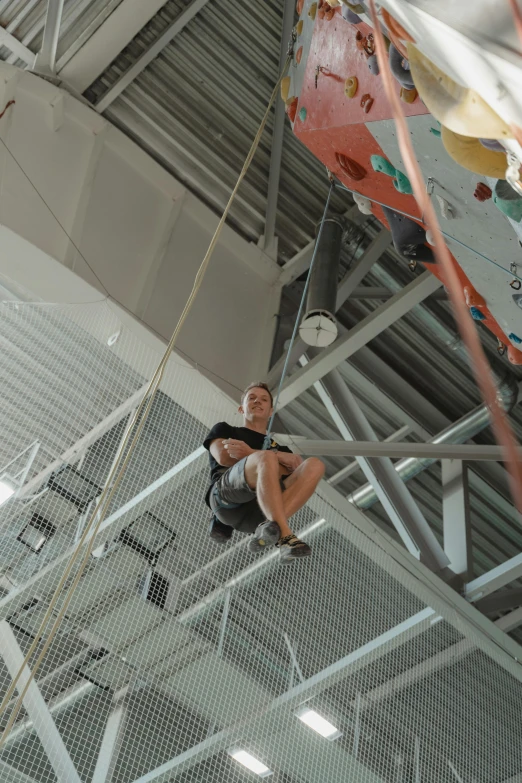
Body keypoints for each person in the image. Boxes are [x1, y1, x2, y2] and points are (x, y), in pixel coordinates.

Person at [203, 382, 325, 563]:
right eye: (251, 398)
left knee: (315, 464)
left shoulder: (281, 449)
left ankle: (269, 529)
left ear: (270, 411)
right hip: (227, 500)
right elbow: (223, 457)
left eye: (264, 399)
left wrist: (250, 453)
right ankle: (285, 536)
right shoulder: (226, 430)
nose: (257, 401)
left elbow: (289, 473)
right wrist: (267, 457)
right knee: (266, 459)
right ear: (241, 408)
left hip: (259, 514)